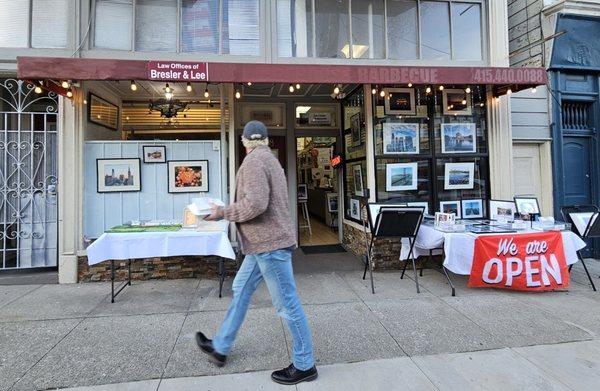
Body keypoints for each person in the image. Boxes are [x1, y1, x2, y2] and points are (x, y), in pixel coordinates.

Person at [196, 120, 318, 385]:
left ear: (244, 141)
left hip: (269, 246)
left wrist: (222, 212)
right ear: (264, 139)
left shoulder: (253, 163)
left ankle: (305, 364)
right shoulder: (271, 160)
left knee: (287, 304)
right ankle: (220, 346)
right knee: (241, 289)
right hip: (262, 245)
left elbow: (256, 204)